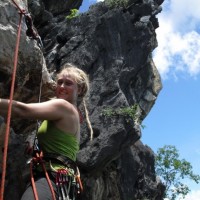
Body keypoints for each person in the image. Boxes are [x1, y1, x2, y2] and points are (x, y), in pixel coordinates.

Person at [0, 63, 90, 200]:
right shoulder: (74, 115)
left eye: (68, 83)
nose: (62, 87)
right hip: (62, 182)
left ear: (80, 89)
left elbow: (22, 110)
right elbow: (60, 149)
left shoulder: (64, 106)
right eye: (59, 82)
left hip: (52, 179)